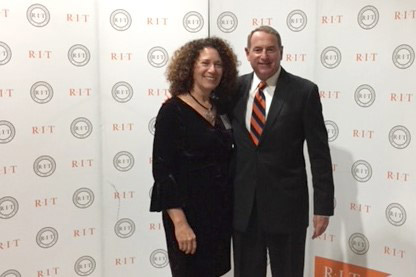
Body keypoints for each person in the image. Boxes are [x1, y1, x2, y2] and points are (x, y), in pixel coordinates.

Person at [230, 26, 335, 276]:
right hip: (244, 209)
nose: (264, 56)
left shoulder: (304, 92)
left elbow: (319, 154)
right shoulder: (232, 89)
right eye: (257, 49)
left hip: (288, 209)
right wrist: (177, 99)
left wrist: (323, 207)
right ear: (247, 53)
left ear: (281, 52)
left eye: (270, 49)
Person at [150, 37, 238, 277]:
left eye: (218, 64)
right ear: (190, 67)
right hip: (188, 216)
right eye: (205, 63)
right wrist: (180, 223)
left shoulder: (221, 108)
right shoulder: (172, 111)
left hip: (219, 215)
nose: (212, 69)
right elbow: (162, 171)